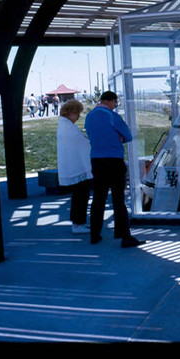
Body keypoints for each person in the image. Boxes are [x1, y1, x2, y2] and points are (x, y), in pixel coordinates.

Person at [85, 91, 145, 248]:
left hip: (96, 160)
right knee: (118, 200)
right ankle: (124, 236)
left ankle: (94, 235)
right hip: (114, 160)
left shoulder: (89, 116)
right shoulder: (112, 116)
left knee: (98, 199)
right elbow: (128, 136)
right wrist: (118, 137)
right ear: (111, 101)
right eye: (115, 103)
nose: (115, 106)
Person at [56, 99, 93, 234]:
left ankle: (79, 222)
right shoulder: (67, 127)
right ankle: (78, 224)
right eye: (77, 113)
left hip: (75, 166)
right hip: (77, 168)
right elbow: (81, 144)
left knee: (79, 197)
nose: (78, 117)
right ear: (71, 112)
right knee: (80, 197)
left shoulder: (65, 125)